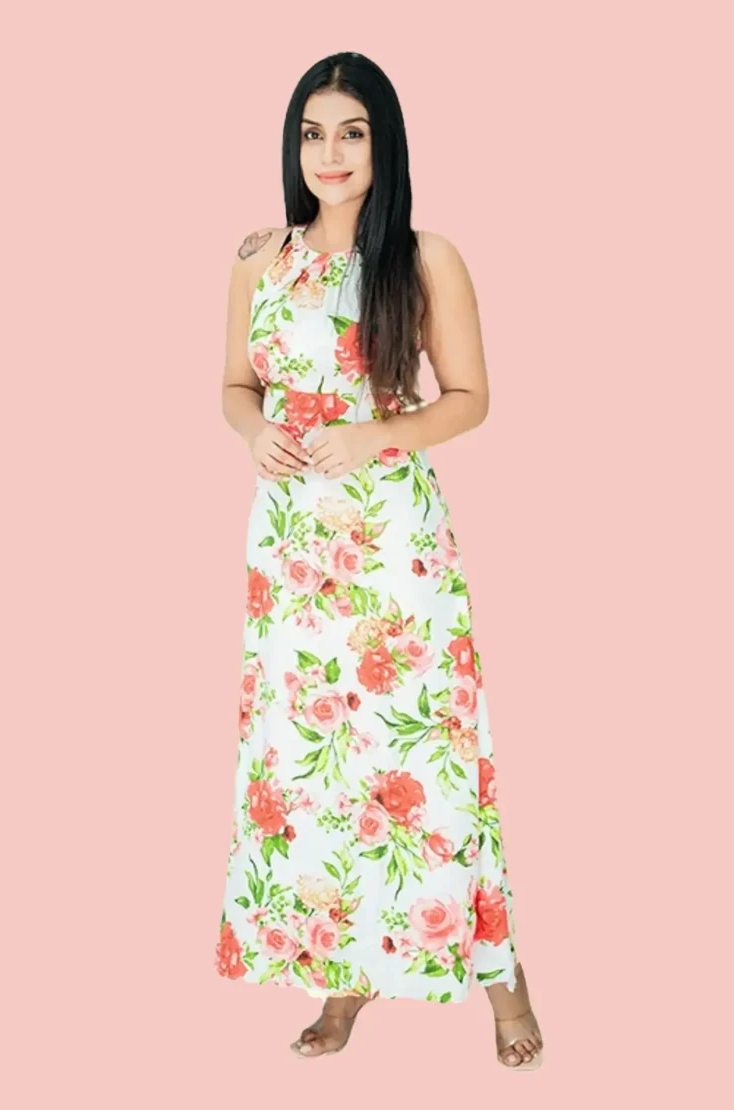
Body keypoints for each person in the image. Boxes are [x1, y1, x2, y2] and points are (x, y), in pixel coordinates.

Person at [215, 51, 544, 1070]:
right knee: (315, 772)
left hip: (394, 549)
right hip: (291, 553)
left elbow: (471, 398)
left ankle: (505, 985)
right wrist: (253, 432)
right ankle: (344, 978)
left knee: (427, 764)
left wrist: (374, 436)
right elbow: (234, 386)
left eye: (351, 132)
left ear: (383, 142)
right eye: (312, 133)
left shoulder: (425, 257)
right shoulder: (259, 257)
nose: (330, 153)